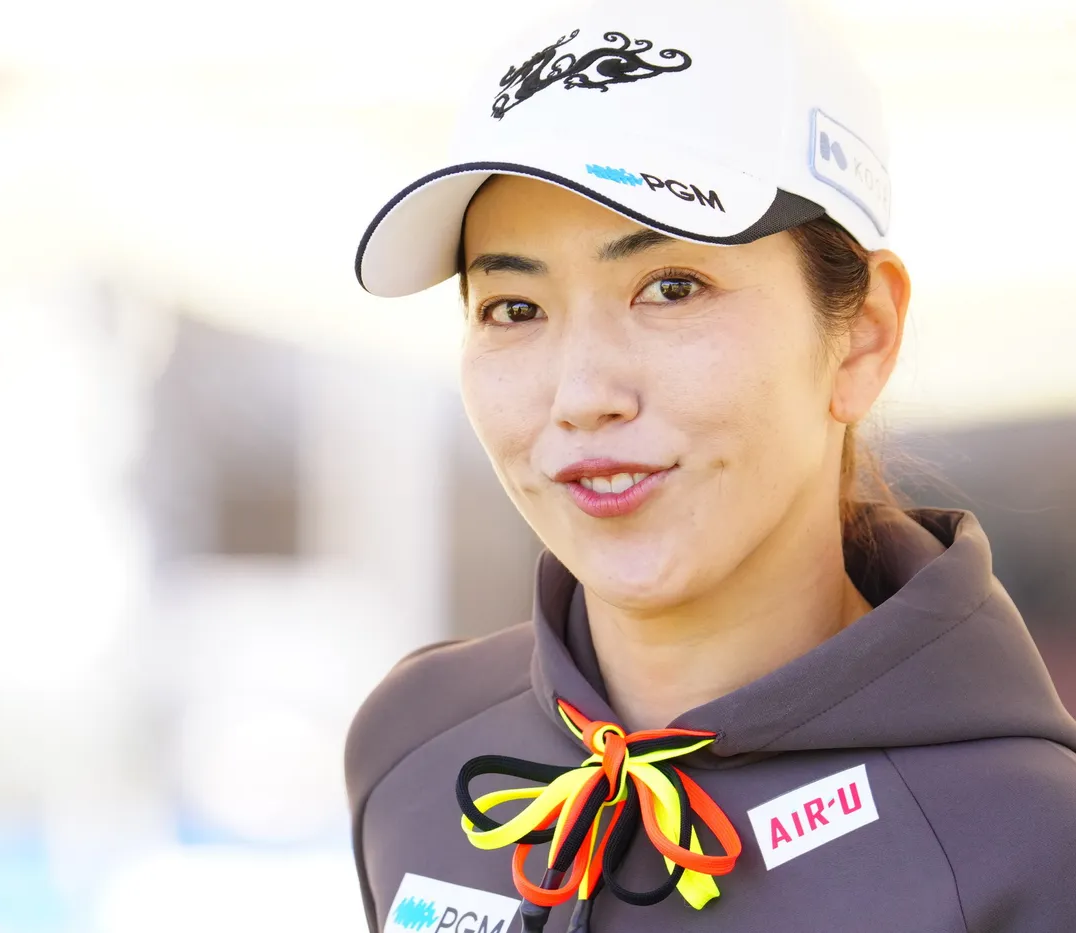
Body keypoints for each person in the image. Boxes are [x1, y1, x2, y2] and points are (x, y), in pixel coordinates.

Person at [343, 2, 1076, 931]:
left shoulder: (1032, 839)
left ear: (862, 335)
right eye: (513, 308)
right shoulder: (415, 746)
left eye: (671, 287)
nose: (582, 394)